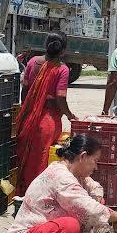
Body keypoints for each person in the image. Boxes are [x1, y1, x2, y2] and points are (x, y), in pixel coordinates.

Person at [16, 31, 78, 195]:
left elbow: (25, 89)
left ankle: (23, 192)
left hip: (29, 118)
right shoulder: (62, 69)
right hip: (48, 121)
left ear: (46, 46)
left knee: (27, 156)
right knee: (42, 160)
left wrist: (26, 110)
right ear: (63, 50)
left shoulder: (32, 62)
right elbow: (60, 98)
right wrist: (70, 115)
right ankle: (38, 194)